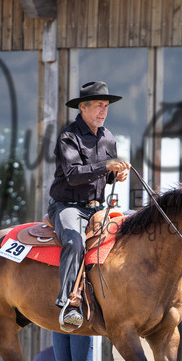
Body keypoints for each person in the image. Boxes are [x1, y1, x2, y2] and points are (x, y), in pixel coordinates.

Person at [48, 80, 131, 330]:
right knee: (74, 241)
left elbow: (104, 177)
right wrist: (106, 166)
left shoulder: (108, 137)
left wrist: (116, 175)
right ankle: (68, 303)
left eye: (106, 106)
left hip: (97, 207)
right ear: (82, 108)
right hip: (68, 206)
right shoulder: (68, 137)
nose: (103, 111)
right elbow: (73, 175)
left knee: (130, 235)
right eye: (98, 105)